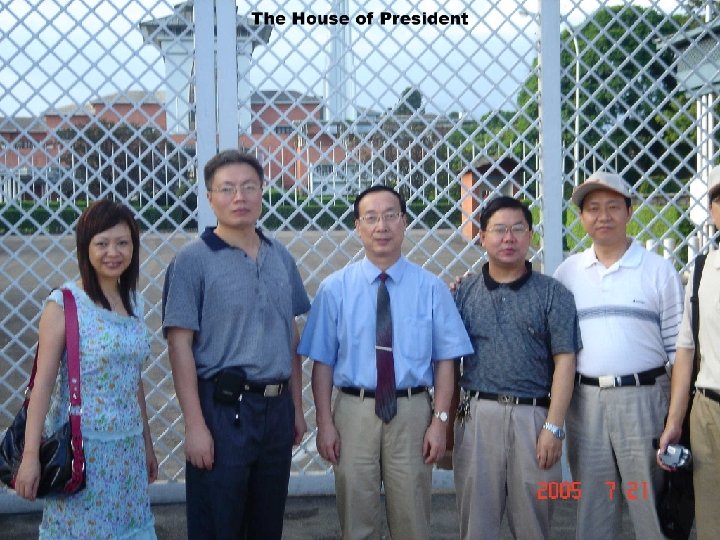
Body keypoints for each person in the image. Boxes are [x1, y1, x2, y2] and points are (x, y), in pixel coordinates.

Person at [298, 185, 473, 540]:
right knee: (356, 516)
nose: (382, 226)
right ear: (358, 226)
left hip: (412, 412)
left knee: (413, 518)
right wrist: (325, 423)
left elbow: (446, 361)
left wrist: (440, 422)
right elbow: (322, 364)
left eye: (391, 216)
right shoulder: (334, 289)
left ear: (404, 222)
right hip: (354, 411)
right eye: (371, 217)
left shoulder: (431, 288)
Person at [162, 149, 310, 539]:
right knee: (218, 524)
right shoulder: (192, 261)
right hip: (223, 411)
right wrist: (195, 425)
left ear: (262, 192)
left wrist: (296, 408)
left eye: (249, 187)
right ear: (210, 197)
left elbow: (291, 336)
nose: (239, 197)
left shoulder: (280, 257)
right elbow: (179, 346)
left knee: (267, 524)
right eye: (227, 189)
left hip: (276, 411)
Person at [14, 200, 157, 538]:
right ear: (85, 247)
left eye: (122, 243)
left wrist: (147, 445)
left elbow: (133, 379)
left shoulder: (134, 302)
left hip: (127, 452)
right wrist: (31, 455)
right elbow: (43, 386)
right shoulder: (64, 304)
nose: (113, 252)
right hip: (82, 453)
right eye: (102, 243)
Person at [553, 171, 684, 540]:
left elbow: (679, 352)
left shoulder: (659, 271)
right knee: (593, 507)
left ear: (629, 211)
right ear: (582, 217)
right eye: (593, 208)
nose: (603, 216)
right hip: (585, 403)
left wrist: (675, 418)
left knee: (649, 508)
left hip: (645, 400)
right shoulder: (567, 274)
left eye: (613, 206)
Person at [452, 196, 580, 540]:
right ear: (482, 237)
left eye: (517, 229)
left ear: (530, 235)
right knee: (476, 526)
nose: (508, 238)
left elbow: (566, 361)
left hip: (533, 419)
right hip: (476, 414)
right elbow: (447, 361)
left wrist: (554, 427)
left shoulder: (553, 294)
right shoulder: (463, 292)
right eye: (499, 230)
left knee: (533, 524)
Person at [657, 167, 720, 539]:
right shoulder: (701, 270)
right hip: (708, 413)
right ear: (711, 211)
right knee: (711, 523)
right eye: (719, 199)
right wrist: (674, 422)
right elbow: (685, 350)